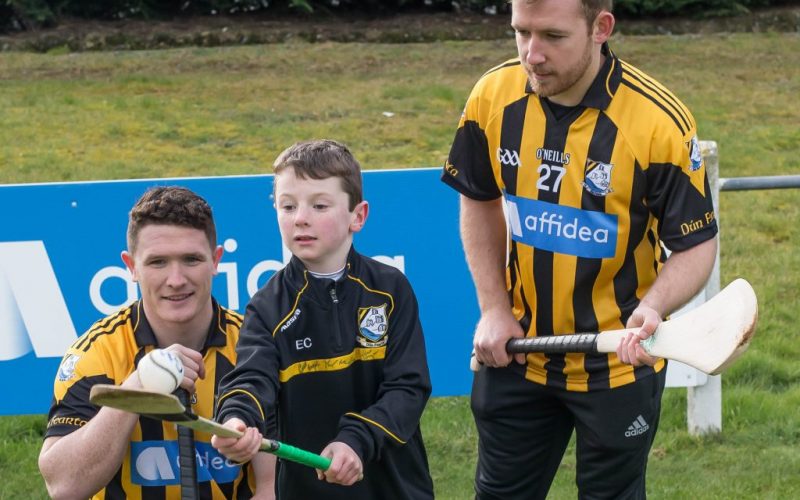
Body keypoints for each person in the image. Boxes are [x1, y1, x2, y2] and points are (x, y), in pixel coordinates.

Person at [441, 1, 719, 498]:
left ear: (600, 28)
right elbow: (479, 200)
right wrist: (493, 309)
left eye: (552, 36)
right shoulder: (491, 96)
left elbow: (696, 244)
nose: (532, 54)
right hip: (519, 354)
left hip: (619, 361)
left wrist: (653, 308)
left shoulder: (658, 122)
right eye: (521, 32)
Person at [210, 139, 435, 499]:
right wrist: (237, 419)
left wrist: (356, 440)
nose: (300, 217)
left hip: (396, 489)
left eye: (319, 205)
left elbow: (408, 389)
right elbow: (251, 378)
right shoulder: (266, 307)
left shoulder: (390, 289)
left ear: (357, 216)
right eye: (287, 206)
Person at [38, 186, 275, 499]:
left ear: (216, 260)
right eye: (158, 262)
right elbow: (63, 485)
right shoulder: (98, 352)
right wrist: (138, 386)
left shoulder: (254, 344)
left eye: (191, 259)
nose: (176, 280)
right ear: (132, 267)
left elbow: (280, 479)